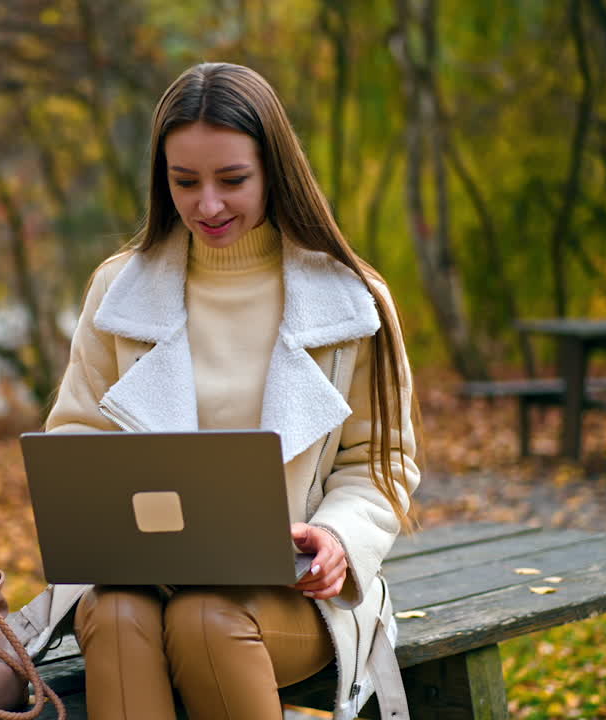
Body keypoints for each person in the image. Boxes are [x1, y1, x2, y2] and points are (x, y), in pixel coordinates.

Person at [25, 62, 420, 720]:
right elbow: (76, 444)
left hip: (293, 597)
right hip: (143, 580)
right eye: (185, 182)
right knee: (116, 612)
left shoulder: (352, 299)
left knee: (206, 616)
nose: (207, 205)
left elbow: (382, 461)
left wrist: (338, 540)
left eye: (232, 180)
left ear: (274, 171)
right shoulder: (118, 292)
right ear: (162, 179)